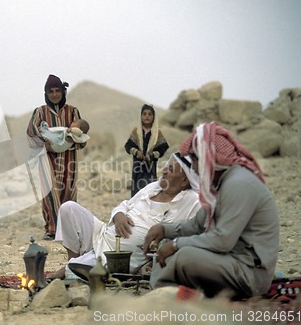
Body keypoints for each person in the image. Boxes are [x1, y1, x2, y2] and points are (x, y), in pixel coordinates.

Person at [143, 122, 279, 299]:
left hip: (249, 273)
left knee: (184, 256)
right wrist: (164, 230)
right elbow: (197, 225)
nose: (193, 167)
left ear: (209, 158)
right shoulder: (223, 184)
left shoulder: (238, 184)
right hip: (230, 261)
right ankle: (164, 294)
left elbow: (223, 240)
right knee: (169, 248)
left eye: (196, 160)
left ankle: (164, 301)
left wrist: (176, 244)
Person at [48, 153, 201, 279]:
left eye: (171, 169)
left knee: (72, 270)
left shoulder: (191, 201)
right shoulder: (153, 187)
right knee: (69, 209)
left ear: (184, 180)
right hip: (103, 235)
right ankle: (75, 261)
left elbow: (195, 231)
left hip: (121, 257)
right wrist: (118, 215)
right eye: (166, 166)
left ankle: (70, 270)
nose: (164, 171)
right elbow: (125, 204)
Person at [26, 74, 87, 240]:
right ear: (46, 93)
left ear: (63, 92)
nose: (54, 94)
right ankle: (52, 229)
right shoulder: (40, 112)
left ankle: (68, 229)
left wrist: (71, 140)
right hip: (46, 158)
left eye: (57, 91)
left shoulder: (73, 111)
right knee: (50, 192)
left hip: (69, 159)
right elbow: (31, 132)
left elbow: (81, 135)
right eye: (51, 91)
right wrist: (45, 144)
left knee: (68, 191)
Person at [125, 104, 169, 197]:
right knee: (136, 191)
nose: (147, 116)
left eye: (150, 114)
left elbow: (163, 147)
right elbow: (128, 146)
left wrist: (152, 155)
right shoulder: (136, 131)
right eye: (144, 114)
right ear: (141, 116)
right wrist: (136, 152)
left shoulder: (157, 133)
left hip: (150, 167)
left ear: (154, 117)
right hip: (137, 167)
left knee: (149, 190)